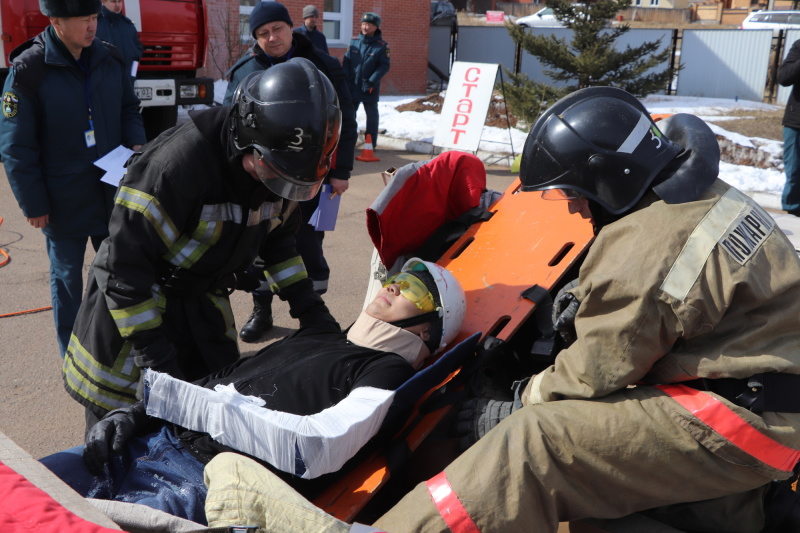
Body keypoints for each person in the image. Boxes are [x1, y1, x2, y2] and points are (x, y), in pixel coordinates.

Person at [198, 87, 800, 533]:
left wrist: (506, 409)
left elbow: (592, 375)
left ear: (606, 176)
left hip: (745, 419)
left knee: (536, 447)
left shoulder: (646, 245)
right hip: (767, 398)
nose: (571, 206)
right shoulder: (702, 195)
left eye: (571, 193)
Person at [41, 259, 466, 525]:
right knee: (20, 488)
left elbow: (317, 445)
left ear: (429, 327)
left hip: (202, 482)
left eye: (413, 287)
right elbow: (220, 379)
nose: (394, 285)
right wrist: (136, 415)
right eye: (396, 277)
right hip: (150, 441)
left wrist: (178, 404)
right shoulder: (323, 336)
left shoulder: (387, 372)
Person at [62, 58, 342, 433]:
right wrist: (160, 366)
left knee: (210, 423)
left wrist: (311, 312)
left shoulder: (284, 165)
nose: (279, 189)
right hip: (135, 318)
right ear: (245, 138)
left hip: (201, 305)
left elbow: (278, 242)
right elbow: (123, 271)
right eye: (272, 174)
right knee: (120, 445)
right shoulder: (174, 168)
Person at [0, 0, 146, 357]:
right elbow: (16, 145)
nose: (92, 26)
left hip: (111, 191)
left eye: (94, 18)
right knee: (67, 281)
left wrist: (137, 142)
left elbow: (129, 108)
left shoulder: (109, 58)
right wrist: (33, 203)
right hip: (61, 199)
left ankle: (119, 349)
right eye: (83, 20)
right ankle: (73, 356)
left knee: (119, 272)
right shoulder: (29, 70)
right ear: (57, 22)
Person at [222, 0, 358, 344]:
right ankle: (261, 309)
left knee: (308, 243)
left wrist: (340, 170)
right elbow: (227, 125)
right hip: (260, 178)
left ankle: (312, 317)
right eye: (263, 33)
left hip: (312, 175)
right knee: (258, 243)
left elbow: (346, 120)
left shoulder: (323, 66)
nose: (272, 38)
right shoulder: (244, 71)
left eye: (277, 29)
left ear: (291, 27)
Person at [343, 12, 390, 149]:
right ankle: (348, 141)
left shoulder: (382, 46)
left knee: (372, 116)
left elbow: (384, 66)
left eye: (368, 25)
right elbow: (346, 61)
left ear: (375, 27)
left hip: (369, 87)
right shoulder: (354, 42)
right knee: (349, 115)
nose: (365, 27)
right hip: (352, 85)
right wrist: (345, 77)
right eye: (363, 24)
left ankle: (370, 144)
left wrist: (371, 81)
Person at [95, 0, 142, 84]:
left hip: (127, 84)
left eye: (119, 1)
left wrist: (132, 75)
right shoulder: (95, 24)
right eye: (113, 2)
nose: (117, 5)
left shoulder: (129, 26)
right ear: (104, 2)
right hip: (102, 84)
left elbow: (137, 55)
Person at [778, 38, 800, 217]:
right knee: (794, 172)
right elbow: (784, 77)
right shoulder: (799, 46)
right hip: (796, 122)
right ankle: (792, 212)